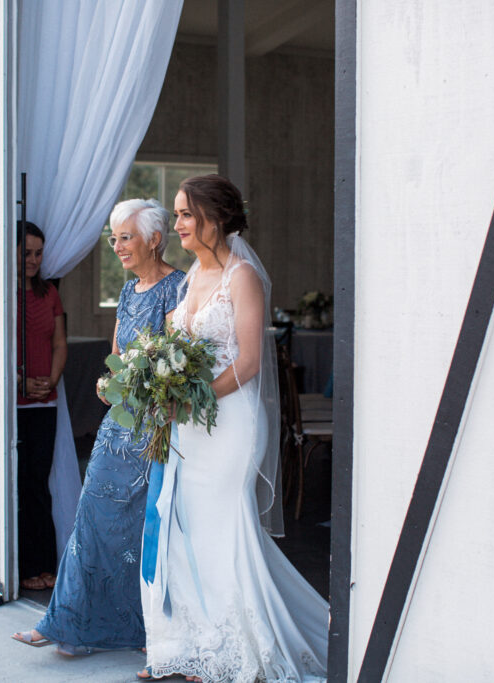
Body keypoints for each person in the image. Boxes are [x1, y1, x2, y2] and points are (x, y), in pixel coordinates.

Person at [139, 176, 328, 682]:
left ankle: (235, 650)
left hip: (232, 423)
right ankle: (197, 646)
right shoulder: (189, 278)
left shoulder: (240, 276)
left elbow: (246, 362)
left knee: (224, 528)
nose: (176, 223)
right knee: (190, 531)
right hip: (189, 427)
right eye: (176, 214)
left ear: (214, 219)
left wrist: (190, 399)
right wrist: (163, 389)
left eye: (184, 214)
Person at [12, 199, 184, 654]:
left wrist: (136, 382)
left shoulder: (178, 289)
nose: (117, 246)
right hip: (117, 425)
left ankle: (141, 627)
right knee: (90, 519)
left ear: (153, 239)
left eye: (124, 237)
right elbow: (118, 354)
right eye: (113, 238)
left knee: (142, 530)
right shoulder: (129, 292)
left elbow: (173, 364)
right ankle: (66, 621)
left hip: (154, 428)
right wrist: (108, 381)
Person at [16, 221, 67, 591]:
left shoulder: (49, 293)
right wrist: (17, 382)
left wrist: (50, 380)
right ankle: (19, 565)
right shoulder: (0, 293)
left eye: (38, 253)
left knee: (38, 484)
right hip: (10, 405)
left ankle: (44, 563)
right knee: (16, 484)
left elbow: (60, 344)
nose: (34, 260)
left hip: (44, 403)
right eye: (26, 253)